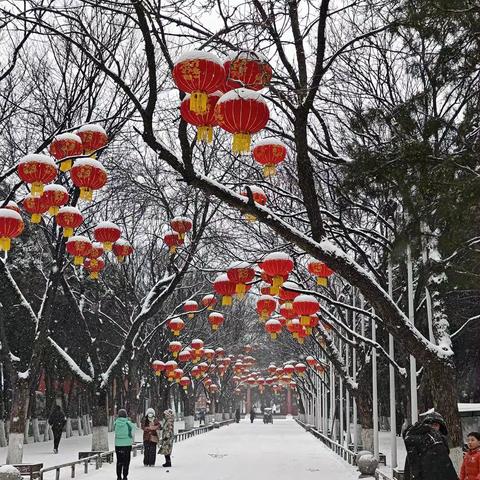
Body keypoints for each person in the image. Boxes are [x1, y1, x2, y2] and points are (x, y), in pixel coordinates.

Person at [403, 411, 458, 480]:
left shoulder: (440, 442)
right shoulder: (420, 444)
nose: (432, 428)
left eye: (435, 425)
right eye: (430, 425)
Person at [114, 409, 136, 480]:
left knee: (119, 461)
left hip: (118, 445)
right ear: (125, 415)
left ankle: (118, 476)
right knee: (126, 461)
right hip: (127, 445)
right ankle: (125, 476)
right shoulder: (128, 423)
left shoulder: (116, 423)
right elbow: (134, 429)